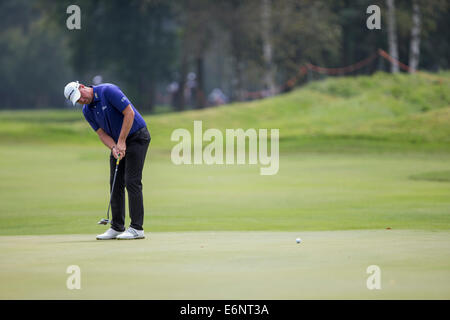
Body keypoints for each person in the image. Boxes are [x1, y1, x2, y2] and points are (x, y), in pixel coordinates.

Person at [64, 81, 151, 240]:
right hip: (119, 142)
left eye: (80, 96)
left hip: (137, 136)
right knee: (115, 183)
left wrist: (122, 141)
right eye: (77, 101)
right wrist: (113, 148)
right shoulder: (87, 110)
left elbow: (129, 113)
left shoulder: (107, 91)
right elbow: (101, 133)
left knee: (132, 181)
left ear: (82, 87)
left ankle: (137, 228)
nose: (81, 100)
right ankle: (117, 227)